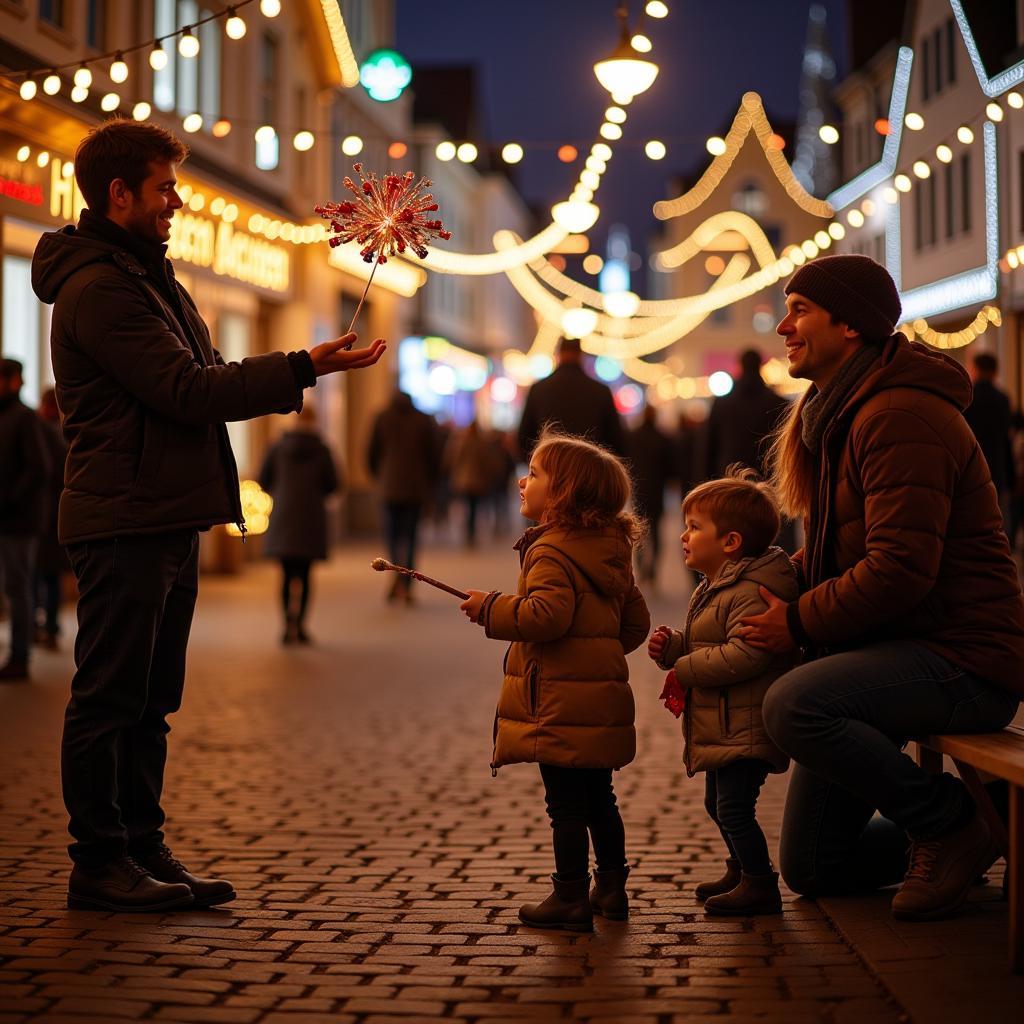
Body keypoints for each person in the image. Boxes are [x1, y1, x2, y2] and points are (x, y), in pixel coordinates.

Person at [31, 118, 385, 913]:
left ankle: (142, 844)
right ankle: (99, 860)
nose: (177, 202)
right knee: (110, 698)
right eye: (164, 188)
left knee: (153, 700)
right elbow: (188, 390)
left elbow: (207, 371)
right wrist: (303, 365)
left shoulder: (150, 276)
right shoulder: (102, 288)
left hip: (164, 515)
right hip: (123, 518)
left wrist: (300, 365)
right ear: (119, 194)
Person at [737, 254, 1024, 921]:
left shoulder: (896, 416)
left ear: (851, 326)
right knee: (814, 866)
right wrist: (746, 594)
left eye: (800, 309)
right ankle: (1000, 823)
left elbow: (898, 569)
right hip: (896, 650)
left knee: (794, 707)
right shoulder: (841, 412)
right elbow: (837, 555)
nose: (783, 326)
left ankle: (951, 824)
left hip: (961, 658)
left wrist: (800, 623)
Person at [459, 432, 650, 932]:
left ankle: (569, 896)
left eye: (536, 474)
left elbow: (545, 617)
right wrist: (597, 657)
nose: (524, 480)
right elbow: (633, 626)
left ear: (564, 493)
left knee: (564, 804)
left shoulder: (551, 552)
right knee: (600, 798)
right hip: (597, 698)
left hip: (560, 702)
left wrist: (490, 608)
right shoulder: (611, 550)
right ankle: (611, 888)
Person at [649, 467, 797, 915]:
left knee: (734, 807)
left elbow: (746, 654)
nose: (683, 536)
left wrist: (684, 666)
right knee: (719, 803)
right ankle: (740, 868)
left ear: (730, 542)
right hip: (726, 721)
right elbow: (708, 640)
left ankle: (760, 883)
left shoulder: (751, 590)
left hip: (745, 725)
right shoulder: (717, 585)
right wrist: (674, 645)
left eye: (694, 527)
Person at [259, 403, 339, 645]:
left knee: (285, 575)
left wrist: (282, 493)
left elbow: (263, 478)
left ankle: (286, 625)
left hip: (284, 516)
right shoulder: (323, 449)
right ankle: (301, 626)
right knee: (305, 575)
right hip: (311, 518)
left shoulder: (277, 447)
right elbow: (334, 484)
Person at [0, 358, 50, 681]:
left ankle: (20, 657)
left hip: (17, 522)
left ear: (16, 380)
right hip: (7, 518)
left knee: (18, 587)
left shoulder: (24, 418)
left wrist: (10, 499)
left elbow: (39, 468)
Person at [367, 390, 438, 602]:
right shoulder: (423, 420)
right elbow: (434, 456)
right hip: (416, 488)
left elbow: (371, 453)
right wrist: (429, 482)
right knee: (411, 537)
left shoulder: (381, 418)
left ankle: (394, 576)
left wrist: (380, 477)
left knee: (392, 536)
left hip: (389, 488)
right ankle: (405, 583)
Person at [517, 338, 625, 460]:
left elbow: (524, 437)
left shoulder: (539, 389)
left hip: (549, 465)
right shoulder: (600, 391)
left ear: (559, 354)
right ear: (580, 355)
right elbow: (615, 439)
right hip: (589, 467)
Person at [703, 348, 790, 479]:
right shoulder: (777, 402)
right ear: (761, 366)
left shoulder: (722, 403)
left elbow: (710, 445)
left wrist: (706, 479)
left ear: (740, 366)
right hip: (765, 476)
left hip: (729, 474)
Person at [963, 351, 1015, 529]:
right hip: (998, 469)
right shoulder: (1003, 399)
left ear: (976, 370)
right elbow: (1006, 440)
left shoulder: (967, 397)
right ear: (995, 371)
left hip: (973, 467)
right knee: (998, 522)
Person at [625, 405, 675, 586]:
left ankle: (640, 564)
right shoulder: (663, 439)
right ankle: (652, 568)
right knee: (656, 531)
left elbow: (626, 461)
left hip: (639, 489)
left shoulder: (632, 436)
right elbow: (671, 468)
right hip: (657, 490)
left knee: (638, 529)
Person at [35, 387, 68, 651]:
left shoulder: (44, 434)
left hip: (43, 515)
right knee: (51, 576)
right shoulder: (68, 434)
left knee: (39, 575)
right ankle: (51, 627)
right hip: (58, 513)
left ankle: (42, 625)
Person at [445, 420, 495, 548]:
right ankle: (471, 533)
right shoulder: (481, 443)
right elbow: (486, 462)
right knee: (474, 508)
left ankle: (468, 532)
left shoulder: (462, 442)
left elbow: (454, 460)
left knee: (466, 507)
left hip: (464, 480)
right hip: (477, 481)